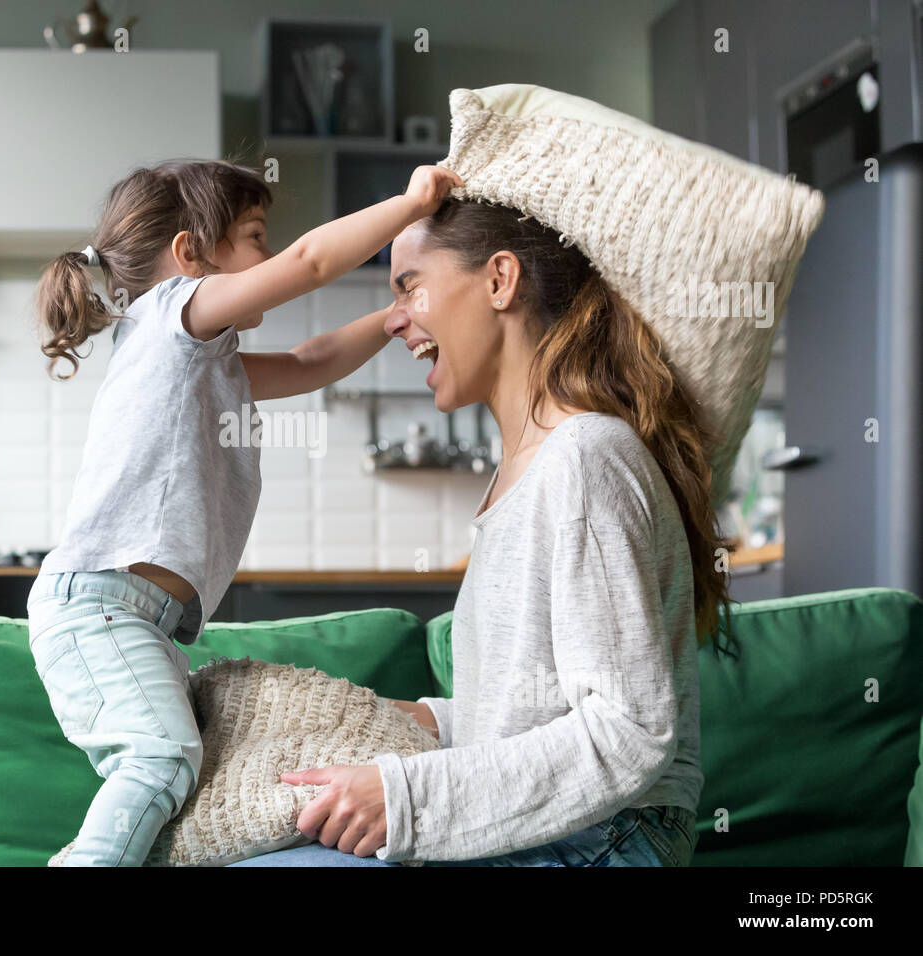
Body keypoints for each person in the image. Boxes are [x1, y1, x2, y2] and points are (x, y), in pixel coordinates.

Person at [230, 197, 733, 867]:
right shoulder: (528, 471)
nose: (397, 320)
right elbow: (530, 716)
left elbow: (628, 732)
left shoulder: (585, 458)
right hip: (568, 827)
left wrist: (405, 795)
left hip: (609, 838)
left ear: (501, 280)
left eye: (410, 285)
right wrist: (413, 723)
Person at [29, 158, 463, 866]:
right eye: (255, 235)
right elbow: (312, 260)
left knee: (169, 777)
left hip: (131, 616)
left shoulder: (204, 358)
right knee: (161, 762)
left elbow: (310, 359)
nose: (269, 252)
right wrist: (409, 204)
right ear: (189, 253)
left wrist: (394, 317)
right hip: (101, 609)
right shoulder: (173, 316)